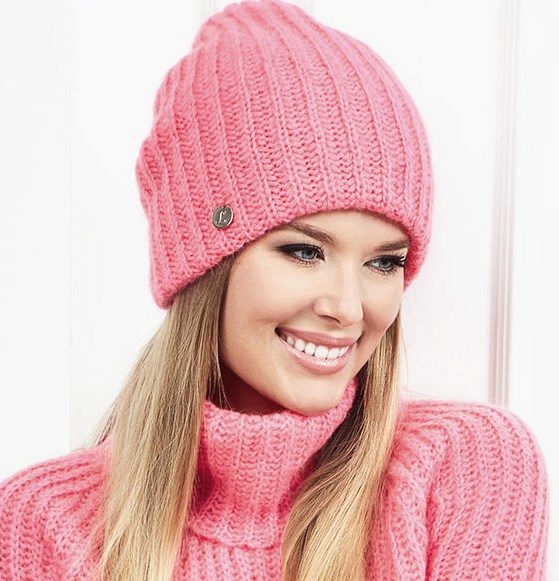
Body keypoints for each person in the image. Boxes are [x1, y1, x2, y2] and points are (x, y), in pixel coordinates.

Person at [0, 0, 549, 579]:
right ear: (205, 264)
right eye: (304, 251)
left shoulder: (466, 468)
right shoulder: (48, 521)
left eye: (384, 262)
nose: (348, 308)